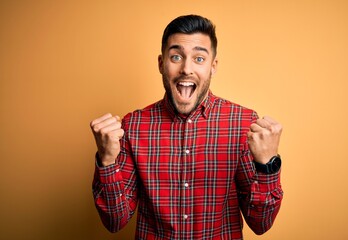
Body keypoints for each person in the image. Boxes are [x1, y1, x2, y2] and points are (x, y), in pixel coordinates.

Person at [90, 14, 283, 240]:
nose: (186, 69)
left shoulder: (243, 124)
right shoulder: (133, 126)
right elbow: (115, 221)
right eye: (176, 56)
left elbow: (261, 223)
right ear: (161, 64)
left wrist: (267, 164)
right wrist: (106, 161)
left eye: (199, 59)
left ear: (213, 66)